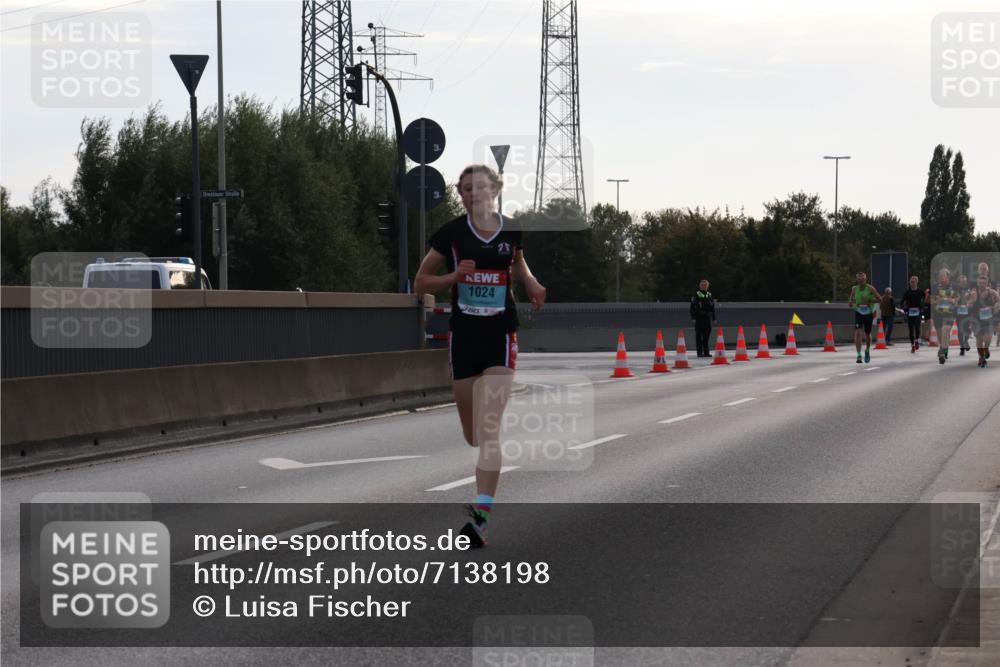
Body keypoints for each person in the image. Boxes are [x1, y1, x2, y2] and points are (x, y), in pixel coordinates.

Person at [414, 164, 547, 548]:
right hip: (464, 337)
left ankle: (481, 517)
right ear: (461, 195)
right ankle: (481, 503)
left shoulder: (511, 230)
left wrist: (531, 281)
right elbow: (421, 281)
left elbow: (516, 261)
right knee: (472, 434)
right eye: (466, 188)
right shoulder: (452, 234)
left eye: (480, 187)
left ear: (495, 190)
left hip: (501, 335)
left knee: (489, 428)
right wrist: (453, 278)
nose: (473, 193)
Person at [965, 273, 999, 367]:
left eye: (983, 283)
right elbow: (967, 301)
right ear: (977, 283)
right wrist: (970, 302)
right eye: (980, 283)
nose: (981, 285)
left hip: (988, 319)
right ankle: (981, 358)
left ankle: (986, 348)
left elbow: (998, 301)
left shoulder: (992, 293)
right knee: (979, 340)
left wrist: (995, 306)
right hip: (976, 319)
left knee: (987, 339)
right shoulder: (973, 293)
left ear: (987, 283)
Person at [848, 271, 881, 363]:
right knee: (858, 333)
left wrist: (870, 301)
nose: (861, 280)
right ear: (857, 280)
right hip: (858, 312)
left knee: (867, 333)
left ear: (865, 279)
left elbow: (880, 299)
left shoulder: (870, 288)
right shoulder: (854, 289)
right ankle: (859, 355)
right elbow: (851, 300)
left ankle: (867, 350)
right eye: (859, 279)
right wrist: (851, 303)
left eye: (862, 279)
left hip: (868, 313)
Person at [930, 267, 959, 365]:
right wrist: (936, 301)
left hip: (949, 313)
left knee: (945, 330)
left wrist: (954, 301)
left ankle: (942, 353)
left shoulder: (954, 286)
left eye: (943, 276)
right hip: (937, 314)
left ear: (948, 277)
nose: (941, 278)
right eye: (939, 276)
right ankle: (943, 348)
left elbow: (958, 299)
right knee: (940, 335)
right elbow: (930, 300)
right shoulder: (935, 287)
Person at [689, 279, 716, 358]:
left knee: (706, 336)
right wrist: (693, 317)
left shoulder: (709, 295)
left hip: (707, 318)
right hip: (699, 318)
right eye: (702, 285)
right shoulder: (696, 294)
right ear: (700, 286)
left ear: (708, 286)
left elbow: (712, 308)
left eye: (705, 285)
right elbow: (692, 307)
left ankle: (706, 352)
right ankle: (699, 352)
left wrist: (714, 318)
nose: (704, 286)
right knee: (699, 336)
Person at [899, 276, 924, 353]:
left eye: (914, 281)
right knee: (910, 329)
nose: (912, 283)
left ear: (917, 282)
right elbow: (901, 302)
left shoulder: (920, 292)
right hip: (910, 313)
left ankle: (916, 340)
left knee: (917, 328)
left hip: (918, 312)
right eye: (911, 282)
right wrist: (904, 309)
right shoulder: (907, 292)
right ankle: (912, 345)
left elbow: (925, 300)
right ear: (909, 283)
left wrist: (922, 308)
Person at [955, 275, 972, 356]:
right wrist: (956, 303)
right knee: (960, 330)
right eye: (962, 281)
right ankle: (962, 347)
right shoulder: (956, 289)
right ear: (959, 282)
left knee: (968, 328)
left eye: (965, 281)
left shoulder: (969, 289)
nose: (964, 283)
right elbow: (953, 298)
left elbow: (973, 298)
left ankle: (965, 341)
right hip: (959, 312)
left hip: (968, 312)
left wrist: (970, 303)